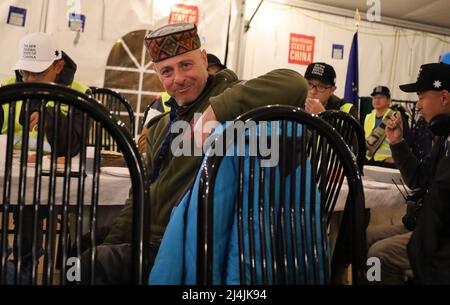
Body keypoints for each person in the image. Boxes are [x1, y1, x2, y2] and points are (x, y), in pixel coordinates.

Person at [82, 22, 309, 284]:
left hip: (187, 246)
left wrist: (217, 110)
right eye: (167, 71)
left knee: (93, 263)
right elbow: (140, 196)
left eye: (186, 65)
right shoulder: (161, 127)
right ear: (159, 75)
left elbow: (294, 83)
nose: (178, 78)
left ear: (203, 59)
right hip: (149, 233)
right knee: (81, 246)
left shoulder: (229, 97)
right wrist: (115, 241)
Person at [0, 32, 90, 284]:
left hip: (54, 179)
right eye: (24, 72)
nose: (28, 79)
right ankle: (18, 260)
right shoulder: (9, 86)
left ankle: (24, 263)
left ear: (58, 66)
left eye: (36, 74)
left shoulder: (80, 93)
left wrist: (49, 118)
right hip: (13, 174)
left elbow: (75, 143)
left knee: (35, 197)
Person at [367, 62, 450, 284]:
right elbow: (419, 180)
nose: (419, 106)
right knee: (361, 237)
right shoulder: (442, 137)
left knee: (379, 254)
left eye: (422, 97)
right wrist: (398, 142)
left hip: (440, 234)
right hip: (424, 224)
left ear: (444, 98)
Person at [364, 86, 395, 165]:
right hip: (369, 160)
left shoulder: (395, 116)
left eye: (381, 97)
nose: (377, 100)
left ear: (389, 100)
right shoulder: (368, 117)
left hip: (387, 162)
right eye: (374, 97)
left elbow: (404, 139)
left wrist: (396, 157)